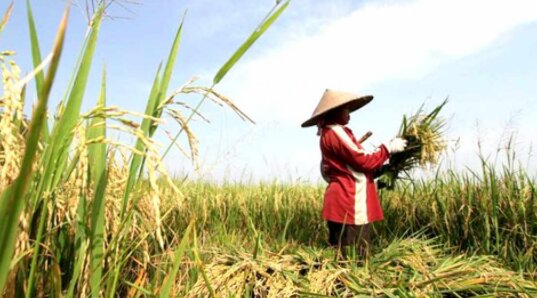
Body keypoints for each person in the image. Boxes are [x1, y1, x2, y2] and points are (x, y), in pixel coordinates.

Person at [301, 89, 407, 258]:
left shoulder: (329, 134)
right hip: (350, 200)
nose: (349, 114)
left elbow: (356, 167)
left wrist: (385, 167)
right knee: (356, 256)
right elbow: (362, 160)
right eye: (346, 110)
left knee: (340, 253)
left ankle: (338, 281)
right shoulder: (335, 132)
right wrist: (387, 148)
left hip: (343, 199)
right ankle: (352, 282)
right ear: (334, 111)